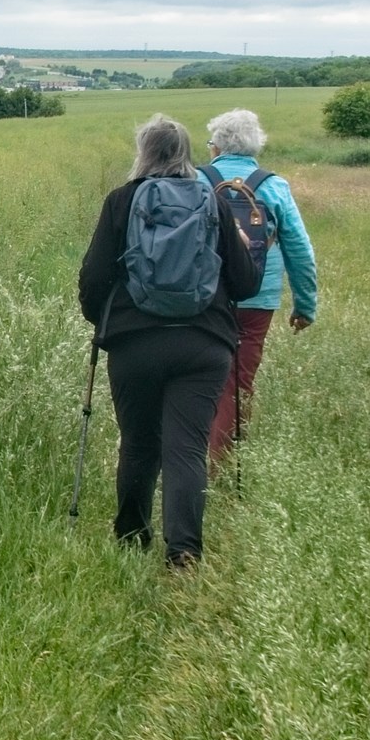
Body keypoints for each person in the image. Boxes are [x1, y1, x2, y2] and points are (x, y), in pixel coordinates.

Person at [78, 114, 263, 568]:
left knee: (139, 443)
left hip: (134, 342)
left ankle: (131, 539)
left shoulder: (122, 202)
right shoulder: (212, 201)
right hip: (204, 344)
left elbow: (92, 279)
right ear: (187, 152)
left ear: (142, 151)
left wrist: (106, 325)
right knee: (187, 447)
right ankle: (183, 553)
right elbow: (244, 284)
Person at [202, 109, 317, 456]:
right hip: (257, 299)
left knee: (203, 379)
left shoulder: (196, 180)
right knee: (239, 382)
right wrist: (305, 306)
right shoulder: (274, 186)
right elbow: (299, 250)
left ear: (217, 146)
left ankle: (200, 458)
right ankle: (224, 461)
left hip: (206, 295)